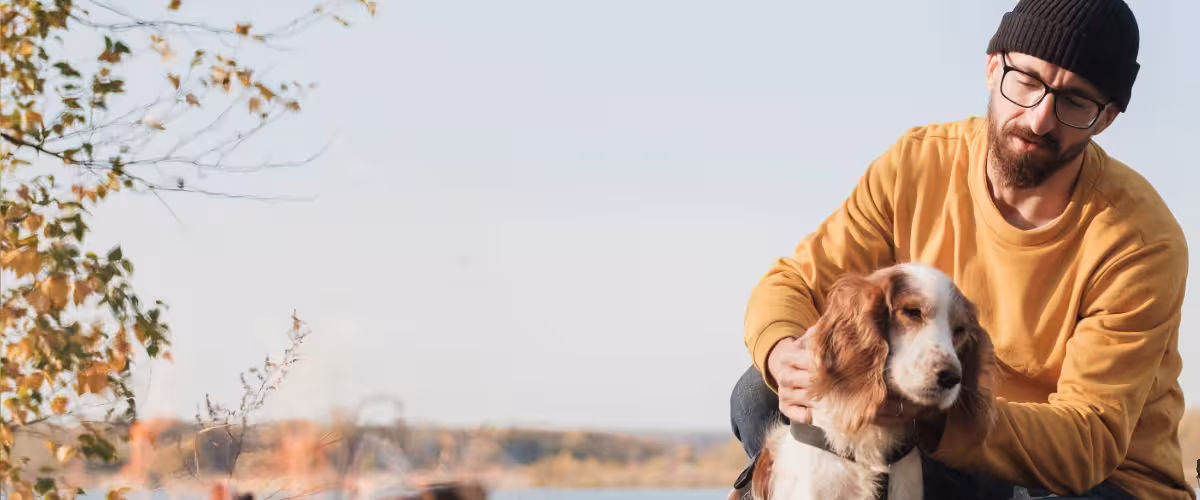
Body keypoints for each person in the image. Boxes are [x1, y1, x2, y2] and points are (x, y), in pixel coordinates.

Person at [729, 0, 1195, 499]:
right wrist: (784, 356)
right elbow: (793, 285)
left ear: (1106, 119)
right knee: (760, 393)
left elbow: (1088, 440)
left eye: (1076, 101)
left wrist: (927, 414)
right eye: (1027, 81)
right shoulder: (917, 165)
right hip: (942, 438)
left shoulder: (1139, 239)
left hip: (1092, 481)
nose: (1040, 118)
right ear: (994, 68)